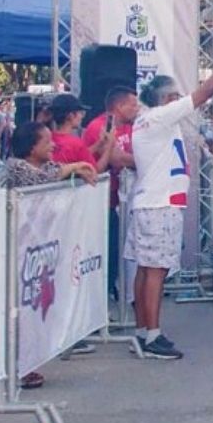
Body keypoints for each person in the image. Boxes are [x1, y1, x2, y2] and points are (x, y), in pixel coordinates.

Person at [128, 39, 213, 359]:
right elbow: (205, 93)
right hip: (159, 204)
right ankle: (152, 335)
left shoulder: (153, 121)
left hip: (154, 201)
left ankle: (142, 329)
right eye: (175, 96)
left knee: (146, 267)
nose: (180, 100)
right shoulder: (160, 116)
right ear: (166, 98)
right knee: (156, 270)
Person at [4, 121, 97, 389]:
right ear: (31, 147)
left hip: (37, 250)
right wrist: (75, 167)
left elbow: (54, 172)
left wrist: (78, 170)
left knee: (35, 308)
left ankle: (29, 362)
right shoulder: (16, 167)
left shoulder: (45, 166)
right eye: (46, 142)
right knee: (18, 310)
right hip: (16, 250)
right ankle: (17, 367)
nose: (53, 145)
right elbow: (41, 179)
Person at [82, 87, 140, 298]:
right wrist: (146, 162)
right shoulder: (99, 126)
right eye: (133, 105)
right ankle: (103, 295)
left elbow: (130, 154)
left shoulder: (127, 127)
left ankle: (116, 290)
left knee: (118, 249)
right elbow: (117, 158)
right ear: (119, 106)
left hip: (120, 199)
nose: (137, 109)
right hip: (101, 200)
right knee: (107, 249)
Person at [48, 93, 111, 173]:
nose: (81, 117)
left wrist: (99, 144)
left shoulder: (47, 139)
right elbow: (95, 171)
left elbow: (76, 155)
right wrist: (109, 147)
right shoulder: (76, 144)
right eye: (80, 113)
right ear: (71, 115)